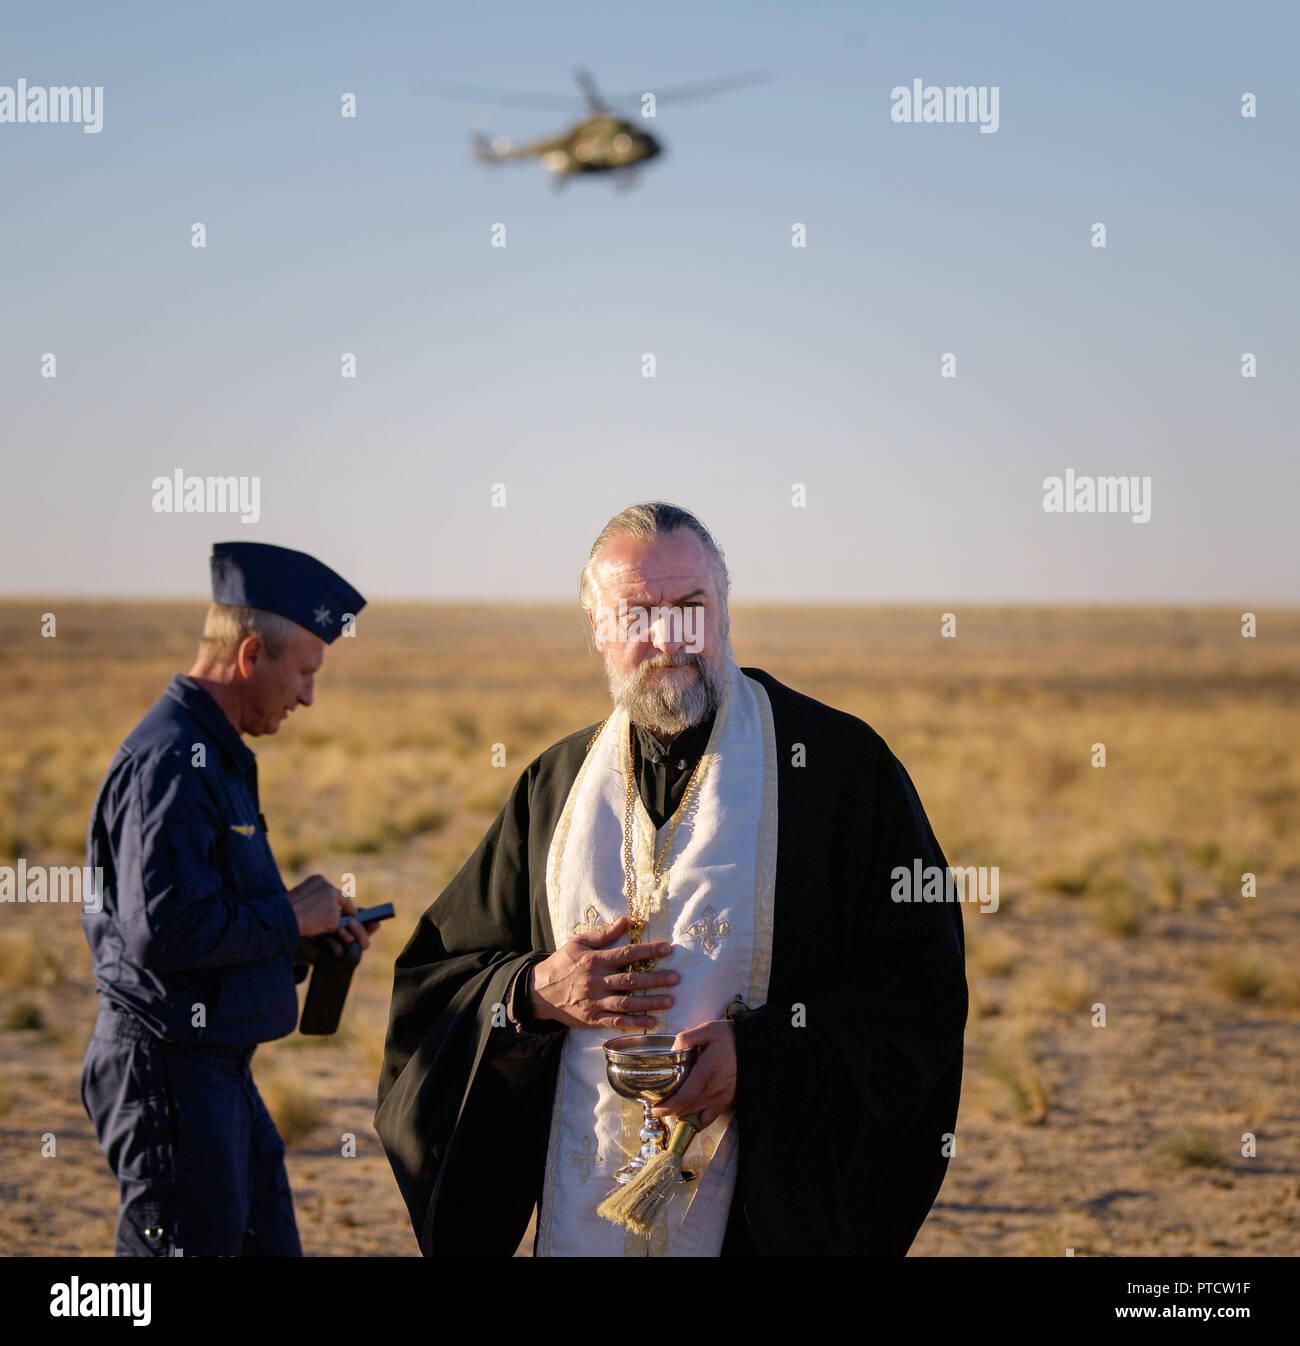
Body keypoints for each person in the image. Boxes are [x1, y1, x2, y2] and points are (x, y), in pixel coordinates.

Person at [376, 503, 968, 1257]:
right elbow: (438, 980)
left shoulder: (840, 770)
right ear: (596, 628)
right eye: (637, 615)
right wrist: (532, 992)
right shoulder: (553, 788)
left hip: (760, 1219)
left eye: (690, 608)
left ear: (724, 610)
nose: (668, 640)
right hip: (584, 1208)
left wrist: (763, 1060)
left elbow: (921, 989)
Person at [80, 541, 380, 1256]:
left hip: (216, 1072)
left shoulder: (210, 752)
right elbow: (161, 931)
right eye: (304, 672)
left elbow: (197, 918)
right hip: (168, 1074)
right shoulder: (172, 761)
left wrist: (300, 941)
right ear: (251, 656)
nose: (307, 695)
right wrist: (286, 915)